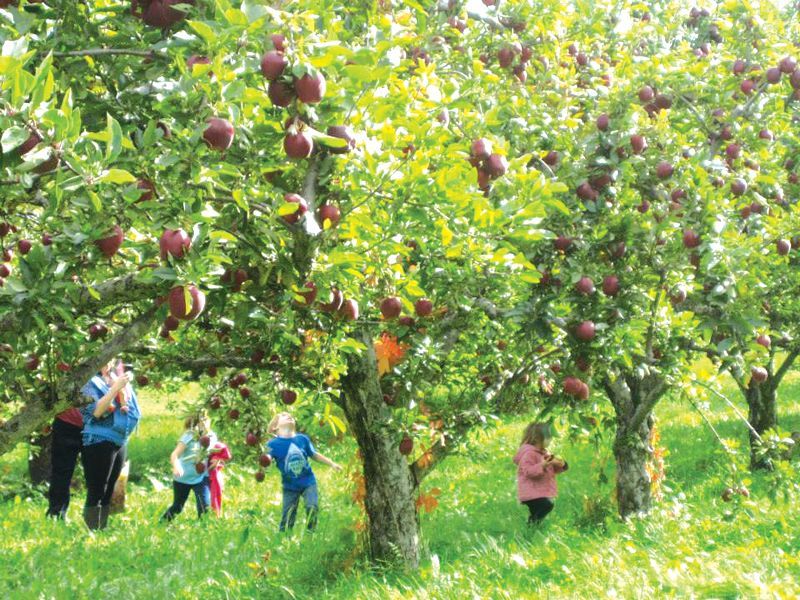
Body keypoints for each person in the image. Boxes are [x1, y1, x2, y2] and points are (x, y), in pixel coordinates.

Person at [80, 359, 140, 530]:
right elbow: (96, 412)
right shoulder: (88, 382)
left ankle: (102, 529)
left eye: (111, 358)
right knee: (97, 489)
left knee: (109, 489)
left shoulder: (114, 377)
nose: (108, 362)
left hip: (119, 439)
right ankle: (92, 530)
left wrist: (123, 384)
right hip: (98, 439)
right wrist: (116, 388)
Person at [265, 412, 342, 532]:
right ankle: (284, 537)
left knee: (312, 506)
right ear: (275, 426)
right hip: (290, 486)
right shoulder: (273, 444)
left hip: (308, 482)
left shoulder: (302, 439)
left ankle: (310, 532)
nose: (289, 416)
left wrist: (331, 463)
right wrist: (266, 461)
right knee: (288, 515)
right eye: (284, 416)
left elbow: (314, 455)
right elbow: (267, 457)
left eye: (290, 416)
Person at [161, 412, 216, 521]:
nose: (205, 423)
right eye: (201, 420)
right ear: (195, 423)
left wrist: (217, 461)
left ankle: (203, 530)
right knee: (178, 506)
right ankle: (162, 523)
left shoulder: (212, 436)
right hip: (183, 477)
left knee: (204, 507)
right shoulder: (189, 436)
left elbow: (215, 453)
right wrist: (177, 467)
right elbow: (175, 454)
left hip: (201, 477)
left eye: (206, 419)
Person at [513, 422, 568, 526]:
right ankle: (532, 523)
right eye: (548, 437)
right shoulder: (529, 454)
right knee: (547, 505)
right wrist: (542, 465)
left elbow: (550, 469)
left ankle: (532, 527)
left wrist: (562, 464)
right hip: (532, 492)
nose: (550, 440)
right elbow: (528, 472)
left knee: (539, 510)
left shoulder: (543, 453)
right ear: (538, 439)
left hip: (539, 491)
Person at [45, 406, 84, 519]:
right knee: (61, 472)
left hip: (97, 425)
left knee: (98, 473)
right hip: (66, 424)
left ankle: (96, 520)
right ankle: (56, 514)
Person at [208, 440, 232, 517]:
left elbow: (211, 468)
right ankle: (216, 514)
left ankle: (215, 514)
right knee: (216, 496)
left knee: (214, 497)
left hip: (215, 479)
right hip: (217, 478)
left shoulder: (215, 458)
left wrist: (207, 469)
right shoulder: (218, 458)